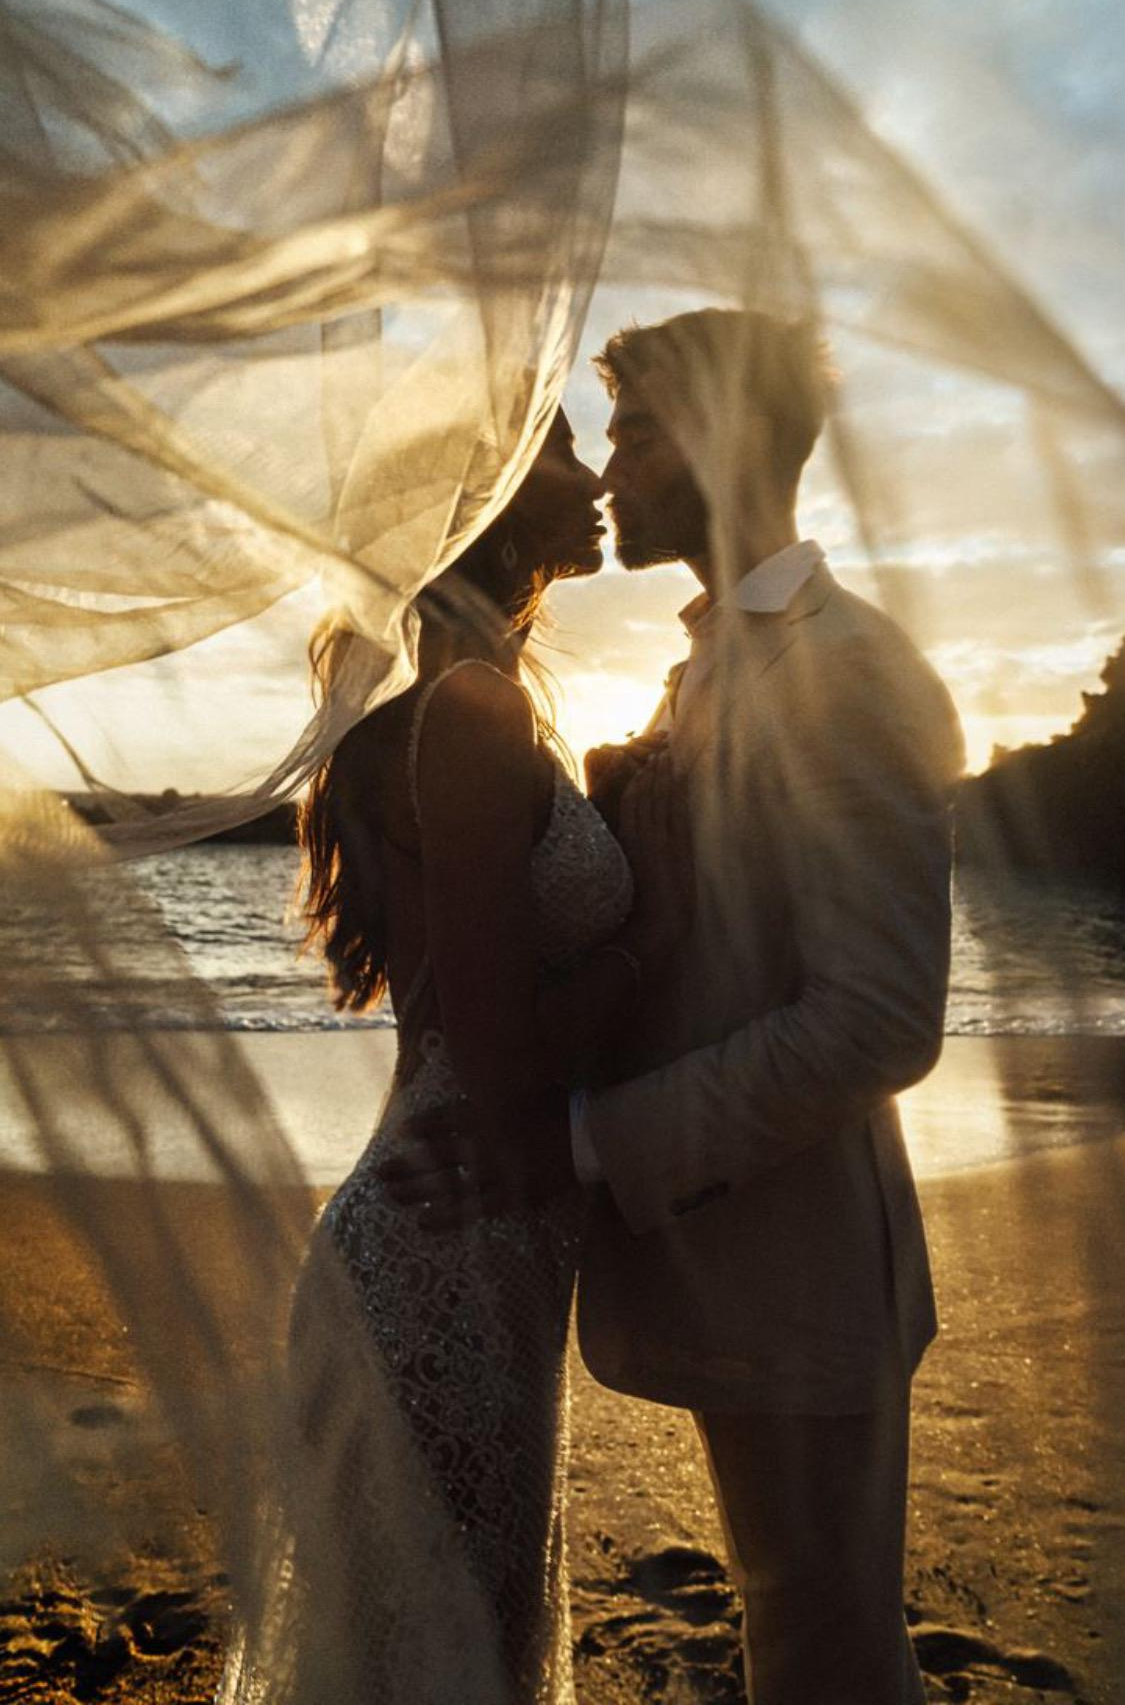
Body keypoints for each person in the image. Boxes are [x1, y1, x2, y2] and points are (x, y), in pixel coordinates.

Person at [389, 308, 965, 1705]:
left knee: (823, 1639)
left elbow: (878, 1018)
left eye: (635, 434)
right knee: (791, 1627)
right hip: (737, 1245)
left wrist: (583, 1143)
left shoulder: (838, 669)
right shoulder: (713, 658)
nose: (609, 473)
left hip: (805, 1261)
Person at [228, 408, 683, 1705]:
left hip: (472, 1247)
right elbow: (496, 1072)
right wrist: (656, 917)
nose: (594, 476)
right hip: (441, 1256)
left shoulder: (479, 705)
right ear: (475, 499)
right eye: (559, 448)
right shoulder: (470, 710)